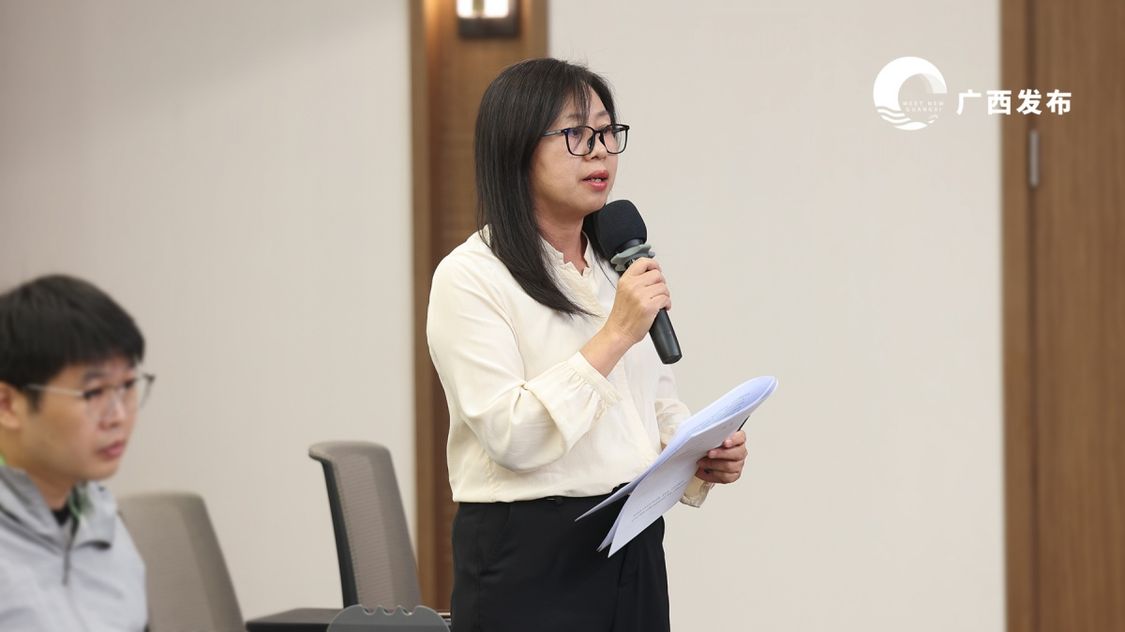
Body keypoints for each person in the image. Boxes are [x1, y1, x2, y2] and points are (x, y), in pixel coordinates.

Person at [426, 58, 749, 632]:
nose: (600, 151)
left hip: (632, 543)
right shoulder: (471, 276)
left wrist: (699, 450)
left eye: (607, 131)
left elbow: (652, 404)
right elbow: (511, 435)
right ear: (517, 147)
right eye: (577, 134)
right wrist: (616, 333)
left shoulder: (615, 265)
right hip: (529, 560)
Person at [0, 274, 152, 631]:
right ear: (7, 404)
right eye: (93, 392)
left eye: (128, 385)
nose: (118, 415)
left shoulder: (105, 523)